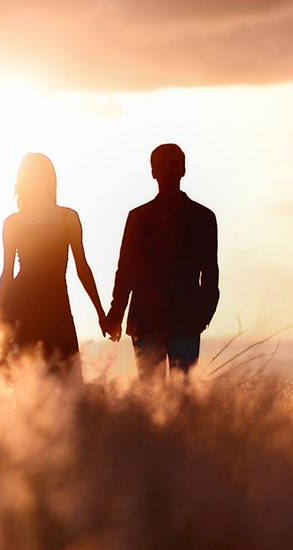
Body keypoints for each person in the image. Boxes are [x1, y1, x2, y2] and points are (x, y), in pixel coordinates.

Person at [105, 143, 219, 383]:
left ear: (183, 170)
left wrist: (203, 313)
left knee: (183, 398)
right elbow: (126, 269)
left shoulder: (203, 218)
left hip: (185, 321)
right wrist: (116, 312)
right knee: (150, 397)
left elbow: (210, 272)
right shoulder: (138, 218)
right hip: (145, 321)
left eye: (173, 164)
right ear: (153, 172)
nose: (167, 170)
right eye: (161, 166)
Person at [0, 153, 108, 383]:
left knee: (66, 385)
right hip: (24, 310)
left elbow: (82, 268)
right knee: (26, 387)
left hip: (56, 309)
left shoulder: (68, 218)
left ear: (48, 179)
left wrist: (100, 314)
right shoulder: (13, 223)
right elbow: (7, 273)